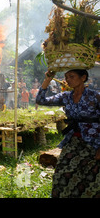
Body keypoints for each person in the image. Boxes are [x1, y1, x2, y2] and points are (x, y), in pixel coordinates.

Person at [35, 69, 100, 198]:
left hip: (94, 143)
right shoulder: (65, 97)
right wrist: (47, 79)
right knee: (61, 174)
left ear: (83, 78)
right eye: (66, 77)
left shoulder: (95, 96)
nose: (68, 79)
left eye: (71, 76)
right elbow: (40, 100)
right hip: (73, 141)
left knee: (92, 178)